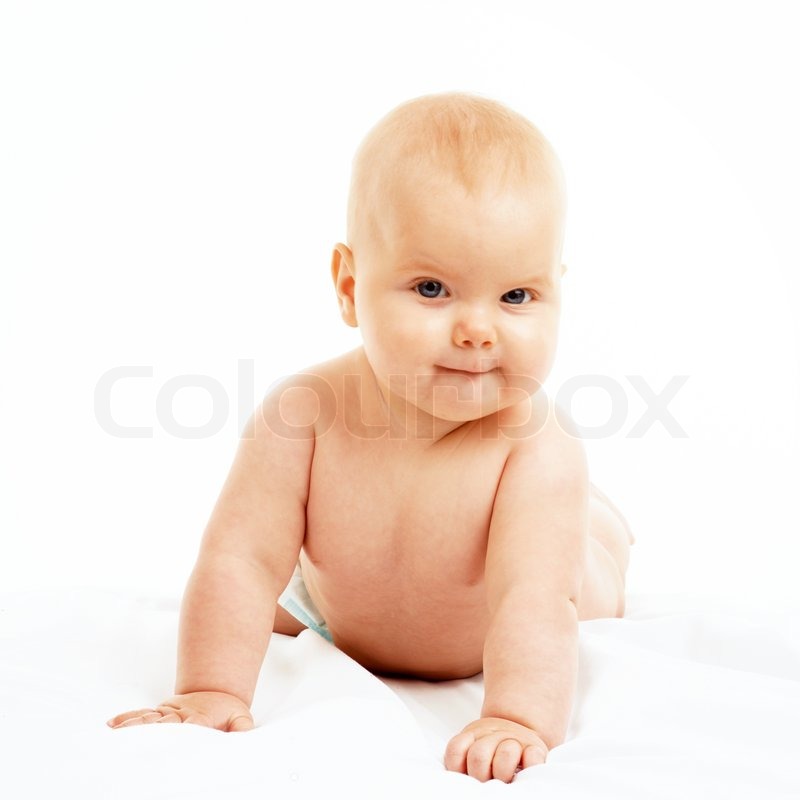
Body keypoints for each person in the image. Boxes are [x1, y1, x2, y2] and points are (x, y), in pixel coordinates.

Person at [107, 91, 634, 784]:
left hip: (540, 578)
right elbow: (239, 559)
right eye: (432, 288)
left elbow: (532, 603)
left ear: (555, 292)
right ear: (350, 286)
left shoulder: (533, 446)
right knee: (276, 599)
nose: (478, 329)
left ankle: (604, 525)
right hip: (341, 606)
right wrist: (213, 688)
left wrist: (517, 716)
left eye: (516, 297)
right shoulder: (303, 415)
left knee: (577, 566)